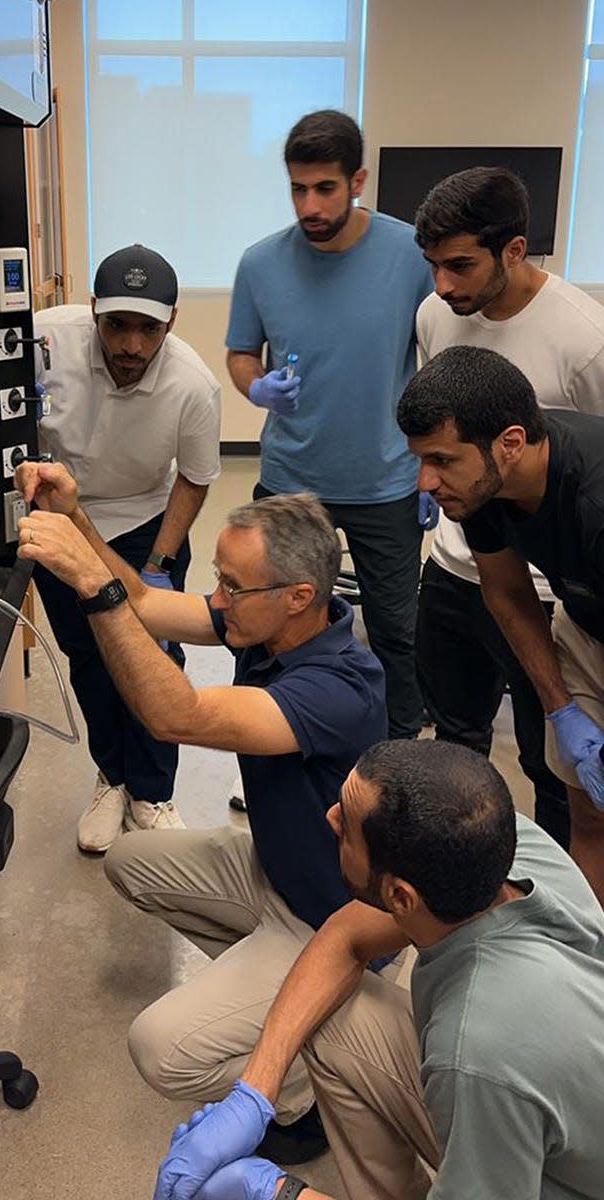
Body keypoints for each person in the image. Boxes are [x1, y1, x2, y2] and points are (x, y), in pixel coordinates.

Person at [15, 462, 387, 1161]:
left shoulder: (338, 687)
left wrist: (91, 588)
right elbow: (149, 606)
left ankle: (309, 1083)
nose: (217, 599)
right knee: (129, 861)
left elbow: (174, 714)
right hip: (277, 872)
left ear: (299, 596)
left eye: (231, 586)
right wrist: (80, 521)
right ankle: (282, 1003)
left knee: (160, 1049)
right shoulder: (269, 624)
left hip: (331, 920)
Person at [152, 739, 604, 1200]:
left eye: (346, 827)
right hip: (565, 1118)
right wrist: (256, 1092)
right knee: (328, 1016)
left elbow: (484, 1062)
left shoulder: (475, 1050)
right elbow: (345, 936)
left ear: (401, 898)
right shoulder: (498, 845)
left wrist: (276, 1193)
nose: (330, 816)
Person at [225, 109, 436, 742]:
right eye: (298, 188)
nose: (309, 204)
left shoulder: (410, 255)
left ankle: (399, 763)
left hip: (386, 482)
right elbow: (240, 355)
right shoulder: (260, 263)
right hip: (291, 482)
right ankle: (267, 745)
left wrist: (432, 467)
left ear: (358, 180)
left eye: (325, 188)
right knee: (269, 625)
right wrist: (257, 387)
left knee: (396, 632)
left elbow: (437, 357)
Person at [415, 166, 604, 850]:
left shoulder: (585, 340)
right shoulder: (438, 314)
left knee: (551, 764)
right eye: (433, 265)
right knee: (455, 735)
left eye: (460, 265)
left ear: (515, 251)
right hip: (459, 564)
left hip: (553, 588)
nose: (443, 284)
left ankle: (558, 906)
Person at [398, 344, 604, 904]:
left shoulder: (594, 501)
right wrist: (560, 707)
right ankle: (592, 959)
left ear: (510, 443)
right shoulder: (484, 488)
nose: (425, 482)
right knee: (589, 811)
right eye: (420, 460)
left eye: (440, 460)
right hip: (587, 623)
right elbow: (507, 591)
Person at [32, 244, 221, 852]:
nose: (132, 346)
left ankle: (152, 793)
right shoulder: (43, 343)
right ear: (93, 312)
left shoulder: (193, 384)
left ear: (170, 322)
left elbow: (194, 478)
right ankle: (111, 778)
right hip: (63, 517)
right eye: (117, 325)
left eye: (148, 328)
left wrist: (159, 568)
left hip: (145, 522)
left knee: (154, 660)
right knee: (89, 656)